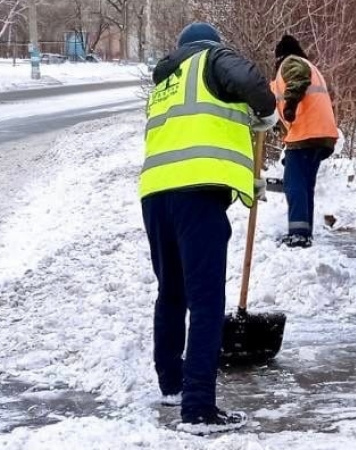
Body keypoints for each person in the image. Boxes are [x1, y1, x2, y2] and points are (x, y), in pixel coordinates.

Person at [140, 22, 278, 434]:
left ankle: (173, 385)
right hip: (196, 196)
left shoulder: (166, 80)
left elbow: (198, 127)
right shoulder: (212, 57)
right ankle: (198, 409)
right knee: (205, 301)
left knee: (172, 293)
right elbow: (250, 80)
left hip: (155, 194)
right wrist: (267, 113)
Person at [270, 35, 338, 249]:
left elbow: (298, 80)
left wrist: (290, 105)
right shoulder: (310, 65)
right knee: (305, 184)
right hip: (321, 133)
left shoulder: (292, 62)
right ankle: (304, 232)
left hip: (306, 133)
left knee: (294, 184)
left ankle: (299, 235)